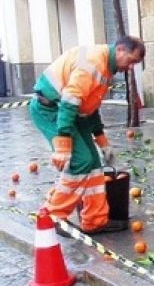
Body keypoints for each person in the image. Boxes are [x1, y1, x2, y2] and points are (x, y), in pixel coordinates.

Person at [30, 36, 146, 233]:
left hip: (72, 114)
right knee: (79, 161)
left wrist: (102, 142)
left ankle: (95, 220)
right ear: (119, 50)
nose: (131, 67)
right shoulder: (93, 64)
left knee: (92, 163)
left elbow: (90, 107)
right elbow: (70, 101)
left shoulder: (106, 68)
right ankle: (54, 216)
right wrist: (64, 143)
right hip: (51, 110)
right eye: (131, 60)